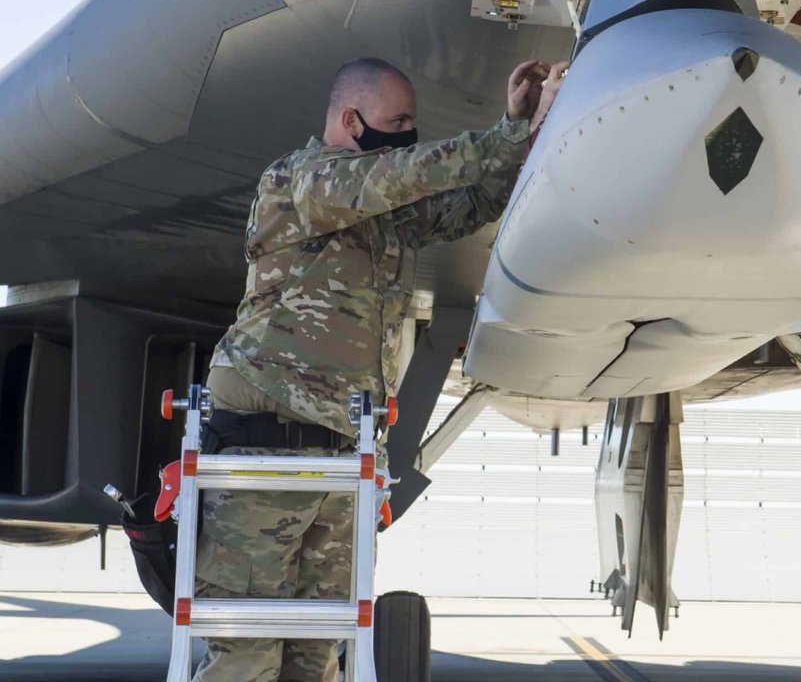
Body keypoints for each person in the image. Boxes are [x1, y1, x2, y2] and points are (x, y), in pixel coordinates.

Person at [192, 56, 567, 681]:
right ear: (351, 119)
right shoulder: (301, 181)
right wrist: (508, 136)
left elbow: (470, 203)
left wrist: (523, 124)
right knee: (250, 643)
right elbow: (408, 173)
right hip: (268, 439)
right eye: (398, 121)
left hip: (342, 448)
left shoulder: (383, 210)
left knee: (321, 646)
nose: (408, 133)